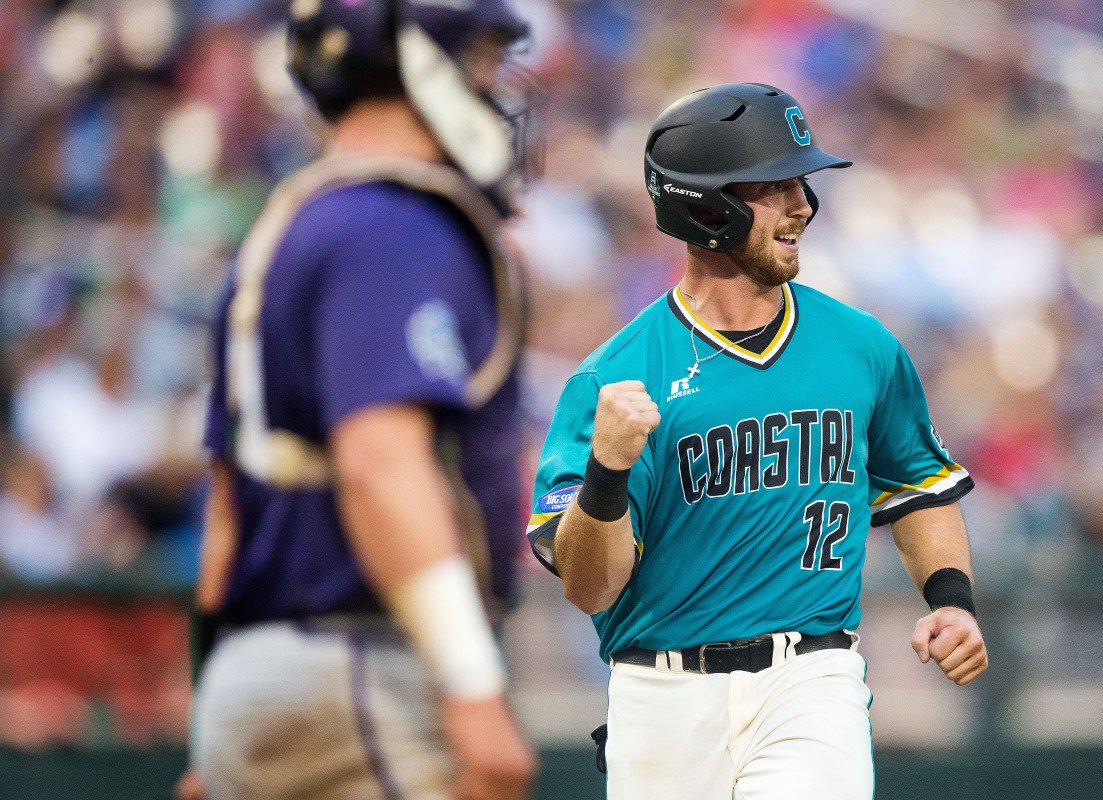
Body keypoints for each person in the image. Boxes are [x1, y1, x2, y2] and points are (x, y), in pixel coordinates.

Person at [527, 83, 988, 799]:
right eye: (774, 186)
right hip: (662, 693)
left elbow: (917, 485)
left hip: (813, 676)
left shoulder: (862, 347)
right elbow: (590, 586)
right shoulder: (613, 381)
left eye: (800, 182)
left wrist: (951, 598)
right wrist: (607, 471)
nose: (802, 204)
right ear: (703, 204)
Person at [186, 2, 537, 799]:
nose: (493, 88)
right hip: (363, 661)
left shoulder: (285, 228)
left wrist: (217, 711)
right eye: (479, 62)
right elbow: (379, 462)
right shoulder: (393, 224)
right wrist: (472, 683)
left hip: (259, 667)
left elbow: (228, 517)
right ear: (413, 59)